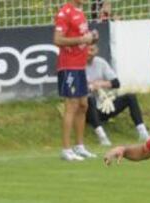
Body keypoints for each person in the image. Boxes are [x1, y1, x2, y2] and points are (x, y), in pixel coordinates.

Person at [54, 0, 98, 161]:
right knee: (71, 105)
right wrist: (82, 40)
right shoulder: (64, 13)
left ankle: (80, 146)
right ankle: (66, 149)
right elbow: (58, 40)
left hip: (80, 66)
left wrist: (92, 38)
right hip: (68, 66)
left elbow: (82, 38)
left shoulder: (80, 12)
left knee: (83, 105)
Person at [85, 44, 150, 146]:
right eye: (86, 50)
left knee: (130, 97)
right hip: (87, 109)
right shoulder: (78, 65)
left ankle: (143, 132)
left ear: (96, 51)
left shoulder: (100, 62)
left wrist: (101, 84)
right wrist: (90, 87)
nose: (89, 52)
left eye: (91, 50)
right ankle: (102, 137)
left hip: (105, 105)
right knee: (90, 99)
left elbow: (116, 83)